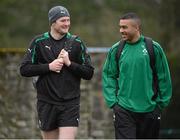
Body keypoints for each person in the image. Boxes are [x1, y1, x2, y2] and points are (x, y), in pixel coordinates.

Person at [20, 5, 94, 139]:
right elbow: (24, 69)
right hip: (46, 102)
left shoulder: (77, 43)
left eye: (68, 20)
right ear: (53, 22)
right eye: (63, 20)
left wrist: (69, 63)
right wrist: (49, 67)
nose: (67, 24)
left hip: (70, 103)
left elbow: (89, 73)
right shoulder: (39, 42)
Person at [102, 12, 172, 139]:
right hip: (124, 110)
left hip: (150, 110)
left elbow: (164, 77)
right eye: (120, 27)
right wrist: (113, 103)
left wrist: (160, 104)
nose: (121, 30)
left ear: (137, 28)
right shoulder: (116, 50)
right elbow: (109, 76)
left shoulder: (153, 48)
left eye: (124, 27)